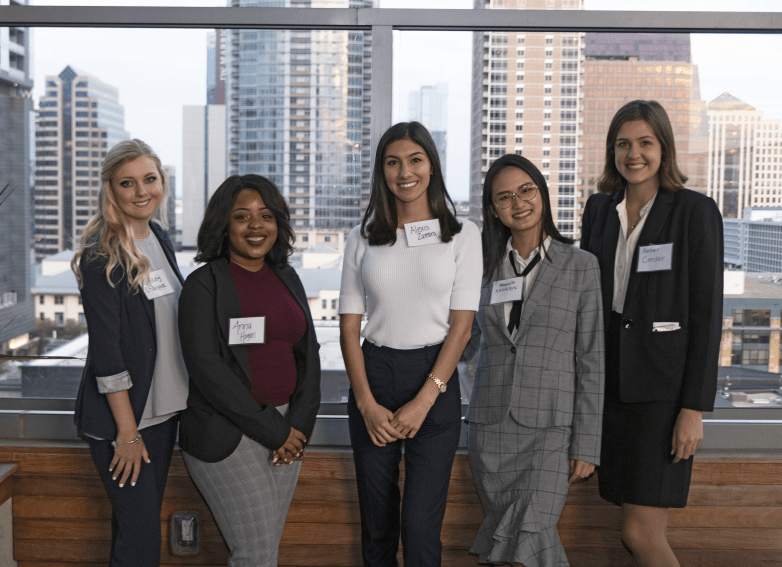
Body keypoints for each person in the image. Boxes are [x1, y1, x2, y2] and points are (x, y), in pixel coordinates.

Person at [580, 100, 723, 567]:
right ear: (611, 152)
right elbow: (588, 297)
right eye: (623, 144)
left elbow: (706, 316)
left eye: (645, 143)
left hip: (661, 398)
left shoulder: (693, 211)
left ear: (664, 148)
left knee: (640, 533)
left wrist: (693, 409)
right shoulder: (599, 210)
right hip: (610, 392)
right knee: (633, 532)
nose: (633, 154)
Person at [339, 121, 482, 566]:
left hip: (434, 381)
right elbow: (348, 327)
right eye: (393, 162)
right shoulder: (361, 237)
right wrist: (365, 402)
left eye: (415, 160)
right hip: (374, 375)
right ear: (382, 171)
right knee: (378, 527)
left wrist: (425, 399)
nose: (405, 172)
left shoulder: (463, 235)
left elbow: (461, 328)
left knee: (420, 531)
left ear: (432, 167)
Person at [464, 154, 604, 567]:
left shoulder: (581, 266)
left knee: (533, 532)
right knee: (506, 545)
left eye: (526, 190)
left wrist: (588, 443)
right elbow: (465, 341)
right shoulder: (482, 271)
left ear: (542, 193)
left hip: (550, 431)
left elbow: (592, 359)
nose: (518, 202)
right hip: (491, 430)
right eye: (504, 197)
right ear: (493, 210)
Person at [178, 174, 320, 567]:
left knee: (265, 553)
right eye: (242, 216)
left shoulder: (287, 277)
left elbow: (308, 354)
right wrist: (275, 432)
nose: (256, 225)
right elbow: (207, 371)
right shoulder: (202, 285)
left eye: (266, 216)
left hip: (288, 430)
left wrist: (299, 428)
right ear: (224, 225)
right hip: (229, 436)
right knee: (254, 554)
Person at [72, 139, 188, 567]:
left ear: (162, 182)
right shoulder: (101, 256)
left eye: (149, 179)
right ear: (111, 190)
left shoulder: (158, 237)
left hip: (162, 416)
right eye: (127, 183)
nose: (141, 191)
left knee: (134, 534)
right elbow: (108, 354)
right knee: (141, 544)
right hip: (126, 422)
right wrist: (128, 433)